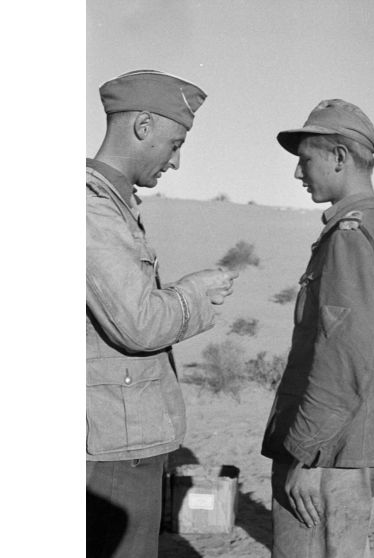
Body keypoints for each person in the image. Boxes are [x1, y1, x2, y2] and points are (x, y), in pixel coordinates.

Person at [86, 69, 237, 558]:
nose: (175, 162)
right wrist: (194, 294)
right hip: (111, 447)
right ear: (143, 125)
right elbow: (139, 323)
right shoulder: (90, 208)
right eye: (174, 144)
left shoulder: (113, 205)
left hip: (119, 436)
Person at [261, 99, 374, 558]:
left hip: (326, 452)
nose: (299, 174)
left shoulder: (350, 237)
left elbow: (343, 358)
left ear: (339, 157)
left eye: (306, 160)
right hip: (345, 446)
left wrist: (306, 454)